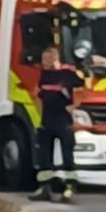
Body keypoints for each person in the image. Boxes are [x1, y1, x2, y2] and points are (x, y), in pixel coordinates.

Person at [30, 46, 83, 203]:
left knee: (67, 156)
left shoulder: (68, 74)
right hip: (47, 121)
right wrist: (40, 113)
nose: (44, 63)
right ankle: (45, 188)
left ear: (55, 59)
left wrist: (74, 107)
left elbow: (83, 90)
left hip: (64, 121)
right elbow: (36, 94)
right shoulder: (44, 75)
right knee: (44, 157)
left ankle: (69, 189)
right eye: (43, 59)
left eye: (47, 59)